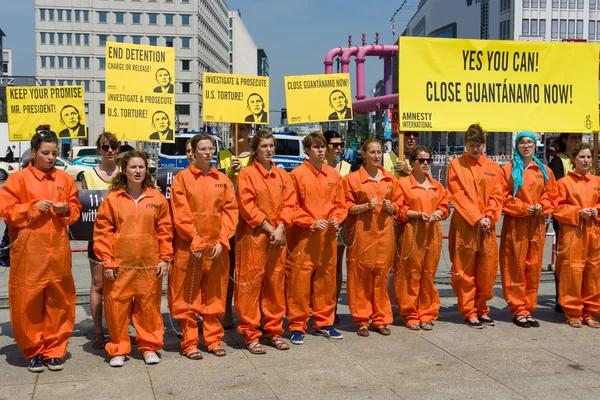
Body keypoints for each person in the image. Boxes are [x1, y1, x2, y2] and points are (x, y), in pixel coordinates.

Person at [0, 128, 81, 372]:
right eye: (46, 153)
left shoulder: (65, 179)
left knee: (60, 301)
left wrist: (65, 210)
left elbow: (75, 209)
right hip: (28, 253)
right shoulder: (18, 179)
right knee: (27, 301)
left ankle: (55, 350)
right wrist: (33, 207)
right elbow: (7, 212)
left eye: (54, 153)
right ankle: (33, 350)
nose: (51, 157)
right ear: (34, 152)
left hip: (58, 254)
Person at [94, 151, 172, 367]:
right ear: (124, 170)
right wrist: (107, 261)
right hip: (120, 267)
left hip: (149, 266)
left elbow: (165, 230)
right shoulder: (113, 199)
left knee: (149, 307)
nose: (137, 171)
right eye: (133, 167)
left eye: (141, 167)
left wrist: (165, 258)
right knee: (117, 307)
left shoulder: (156, 199)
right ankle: (119, 348)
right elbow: (103, 232)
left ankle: (149, 346)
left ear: (146, 170)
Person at [169, 134, 238, 358]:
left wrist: (223, 240)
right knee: (188, 297)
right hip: (189, 249)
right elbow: (181, 212)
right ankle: (189, 343)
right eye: (203, 149)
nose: (208, 153)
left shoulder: (223, 179)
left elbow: (230, 211)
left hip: (216, 248)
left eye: (211, 149)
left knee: (214, 296)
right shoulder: (182, 178)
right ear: (194, 152)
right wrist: (196, 240)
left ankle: (213, 340)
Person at [235, 131, 297, 354]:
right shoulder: (247, 175)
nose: (269, 150)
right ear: (255, 149)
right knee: (249, 286)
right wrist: (271, 228)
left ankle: (274, 331)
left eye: (271, 145)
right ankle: (251, 334)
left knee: (274, 285)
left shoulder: (282, 175)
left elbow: (291, 203)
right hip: (254, 238)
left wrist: (281, 227)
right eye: (264, 146)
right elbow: (247, 205)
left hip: (277, 238)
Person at [285, 132, 348, 345]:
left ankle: (324, 322)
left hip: (328, 236)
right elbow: (291, 207)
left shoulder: (333, 175)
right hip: (305, 237)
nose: (321, 150)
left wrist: (337, 218)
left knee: (326, 280)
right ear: (307, 150)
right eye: (316, 147)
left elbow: (341, 204)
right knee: (300, 282)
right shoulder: (297, 174)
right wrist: (310, 221)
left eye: (322, 147)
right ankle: (297, 325)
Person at [499, 131, 558, 328]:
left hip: (537, 224)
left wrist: (542, 205)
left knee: (533, 267)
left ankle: (528, 307)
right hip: (516, 223)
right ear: (517, 146)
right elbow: (501, 197)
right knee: (515, 266)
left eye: (530, 142)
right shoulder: (508, 170)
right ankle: (517, 309)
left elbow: (552, 195)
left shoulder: (543, 170)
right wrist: (523, 208)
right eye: (522, 142)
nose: (526, 146)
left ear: (535, 146)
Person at [343, 138, 401, 336]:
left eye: (379, 152)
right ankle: (361, 320)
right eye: (372, 152)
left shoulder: (390, 180)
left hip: (384, 234)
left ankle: (380, 319)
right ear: (363, 154)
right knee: (359, 277)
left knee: (381, 276)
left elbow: (399, 207)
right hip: (362, 234)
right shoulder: (352, 179)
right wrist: (365, 206)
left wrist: (391, 208)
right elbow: (345, 207)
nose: (376, 156)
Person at [447, 123, 503, 329]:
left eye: (478, 144)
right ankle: (469, 310)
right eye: (472, 144)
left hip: (487, 226)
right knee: (465, 270)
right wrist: (477, 217)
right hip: (465, 225)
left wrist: (489, 216)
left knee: (487, 270)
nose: (475, 148)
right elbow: (457, 194)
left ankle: (482, 308)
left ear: (484, 144)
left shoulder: (493, 167)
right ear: (465, 144)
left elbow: (498, 195)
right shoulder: (456, 165)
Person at [396, 145, 450, 330]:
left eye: (429, 160)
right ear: (412, 162)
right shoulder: (403, 184)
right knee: (410, 273)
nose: (426, 163)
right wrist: (417, 214)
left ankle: (426, 312)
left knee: (428, 275)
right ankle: (410, 313)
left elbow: (445, 206)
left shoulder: (436, 185)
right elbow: (399, 209)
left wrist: (438, 213)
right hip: (412, 232)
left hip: (433, 232)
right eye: (421, 160)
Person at [553, 143, 600, 328]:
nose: (586, 160)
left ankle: (590, 312)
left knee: (593, 271)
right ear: (573, 159)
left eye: (589, 157)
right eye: (582, 157)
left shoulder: (597, 181)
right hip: (573, 232)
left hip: (593, 233)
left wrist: (596, 211)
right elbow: (556, 207)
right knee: (572, 271)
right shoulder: (564, 182)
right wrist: (577, 212)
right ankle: (573, 312)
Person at [81, 132, 120, 349]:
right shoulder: (88, 174)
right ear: (99, 150)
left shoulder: (127, 172)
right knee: (98, 285)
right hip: (98, 236)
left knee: (122, 286)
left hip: (123, 236)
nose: (111, 150)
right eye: (106, 147)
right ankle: (98, 332)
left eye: (114, 146)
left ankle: (119, 328)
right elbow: (86, 206)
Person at [218, 123, 252, 330]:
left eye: (244, 129)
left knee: (248, 269)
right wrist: (230, 173)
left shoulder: (257, 154)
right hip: (231, 216)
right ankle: (227, 311)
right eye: (236, 130)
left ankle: (248, 312)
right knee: (229, 268)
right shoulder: (223, 155)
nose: (240, 133)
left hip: (252, 218)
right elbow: (221, 187)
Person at [548, 132, 583, 313]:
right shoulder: (558, 161)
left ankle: (579, 296)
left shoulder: (586, 159)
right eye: (574, 138)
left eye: (579, 138)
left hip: (585, 218)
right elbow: (559, 189)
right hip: (565, 215)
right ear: (565, 140)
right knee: (565, 257)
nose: (577, 141)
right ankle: (561, 297)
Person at [324, 130, 352, 324]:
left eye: (340, 144)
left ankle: (332, 307)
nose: (339, 148)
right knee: (319, 267)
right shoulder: (314, 166)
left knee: (335, 266)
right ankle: (317, 306)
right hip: (318, 223)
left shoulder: (347, 167)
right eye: (334, 145)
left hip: (339, 223)